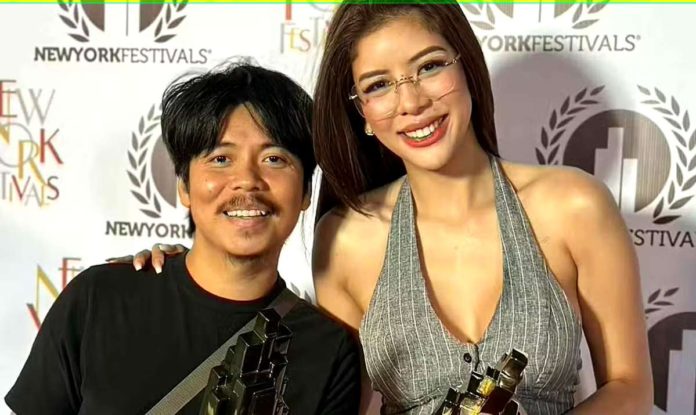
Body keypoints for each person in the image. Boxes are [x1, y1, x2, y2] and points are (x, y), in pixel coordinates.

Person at [123, 2, 653, 414]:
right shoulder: (347, 236)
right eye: (378, 85)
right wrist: (183, 271)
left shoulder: (573, 206)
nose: (411, 101)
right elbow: (338, 399)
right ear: (361, 114)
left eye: (428, 67)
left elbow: (628, 389)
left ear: (466, 67)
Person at [5, 62, 361, 415]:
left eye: (274, 159)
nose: (247, 180)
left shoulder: (326, 351)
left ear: (305, 194)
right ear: (184, 187)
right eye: (221, 158)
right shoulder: (98, 300)